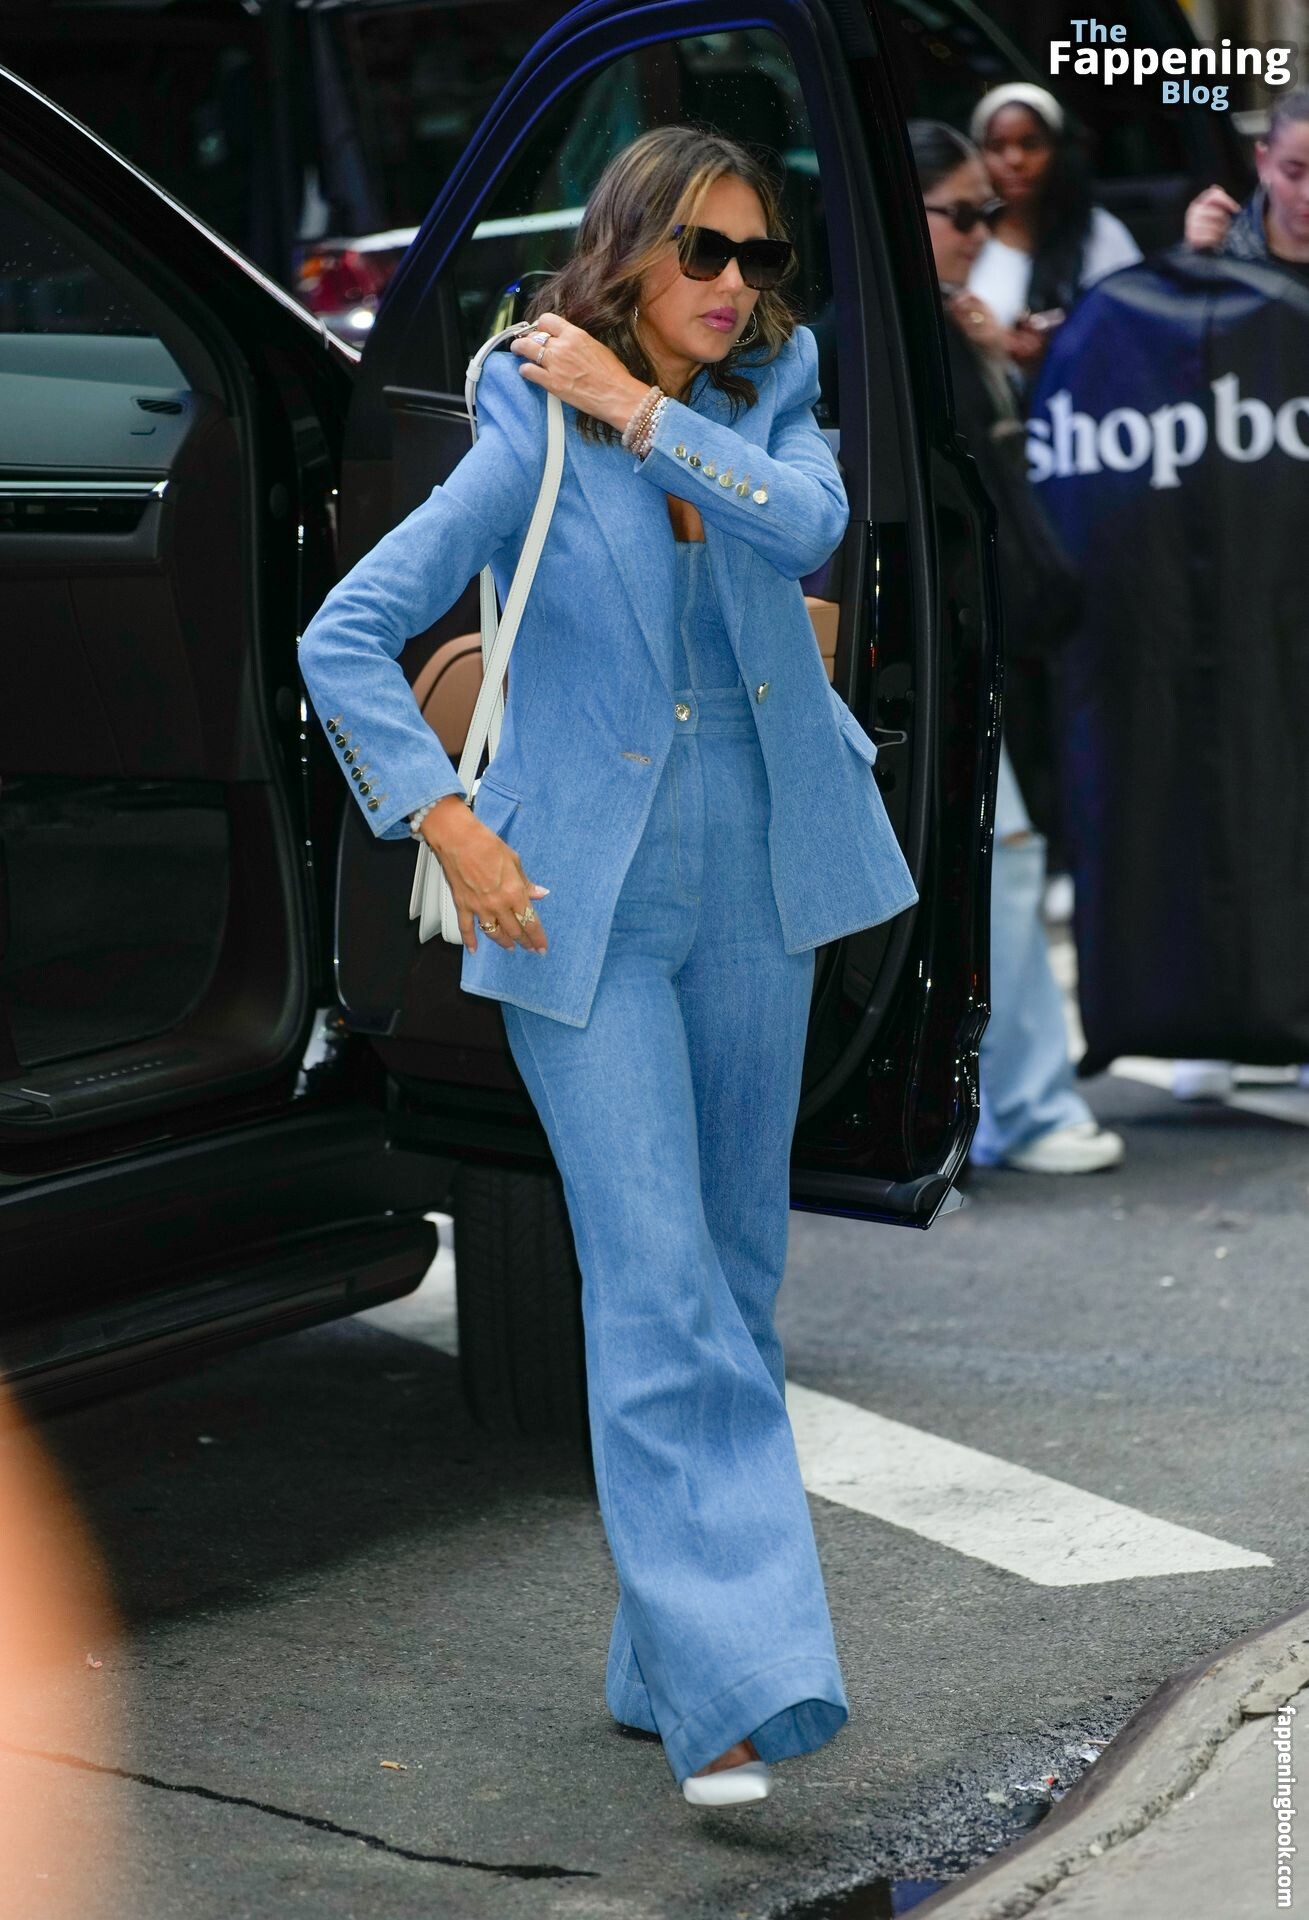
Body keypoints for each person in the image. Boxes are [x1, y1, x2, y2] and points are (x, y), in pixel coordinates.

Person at [296, 126, 918, 1805]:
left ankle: (666, 1659)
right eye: (700, 250)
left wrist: (642, 411)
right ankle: (739, 1690)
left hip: (759, 878)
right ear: (627, 248)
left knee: (734, 1280)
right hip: (578, 898)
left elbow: (804, 524)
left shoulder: (768, 398)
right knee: (652, 1287)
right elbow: (345, 631)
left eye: (756, 255)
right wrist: (446, 821)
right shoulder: (526, 413)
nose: (732, 284)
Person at [909, 119, 1125, 1175]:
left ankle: (1000, 1108)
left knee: (995, 862)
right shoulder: (892, 338)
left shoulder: (941, 329)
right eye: (962, 212)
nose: (980, 230)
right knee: (997, 862)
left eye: (988, 212)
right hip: (937, 647)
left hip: (967, 640)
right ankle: (1020, 1108)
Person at [1166, 87, 1309, 1103]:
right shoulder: (1212, 260)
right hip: (1232, 572)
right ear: (1263, 163)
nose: (1308, 195)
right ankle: (1212, 1015)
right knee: (1226, 794)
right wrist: (1187, 271)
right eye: (1296, 171)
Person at [966, 82, 1142, 393]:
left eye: (1031, 144)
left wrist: (1062, 348)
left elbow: (1135, 329)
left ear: (1058, 151)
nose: (1014, 160)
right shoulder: (966, 239)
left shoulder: (1100, 232)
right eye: (997, 147)